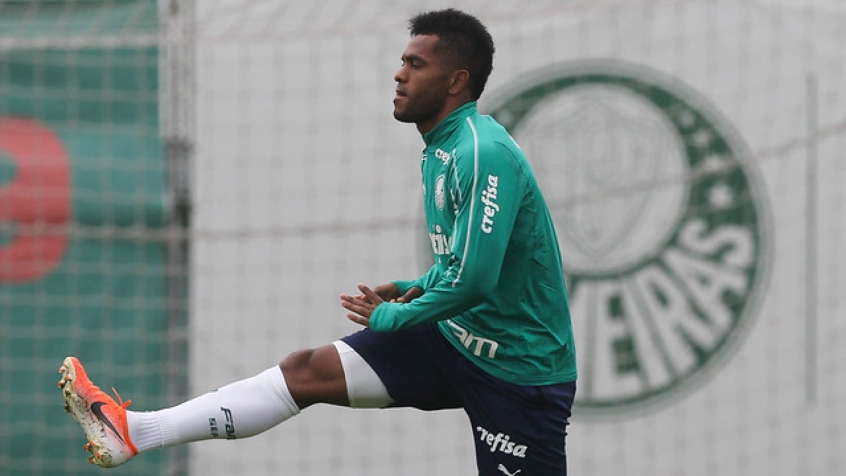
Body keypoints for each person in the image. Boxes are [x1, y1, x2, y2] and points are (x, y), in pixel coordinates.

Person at [58, 8, 578, 475]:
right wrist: (416, 287)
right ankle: (135, 432)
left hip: (518, 372)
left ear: (456, 81)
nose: (399, 73)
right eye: (402, 60)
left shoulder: (481, 151)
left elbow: (478, 279)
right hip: (454, 338)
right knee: (304, 372)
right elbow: (466, 263)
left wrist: (393, 317)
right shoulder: (441, 148)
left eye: (416, 65)